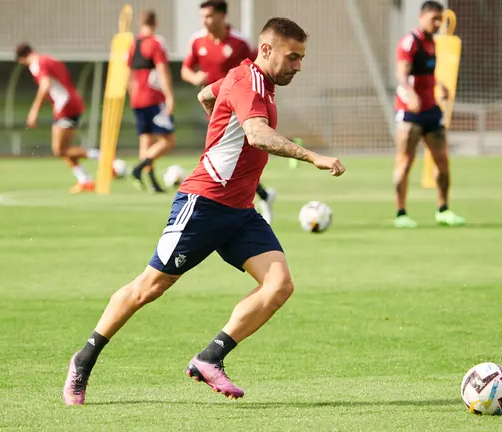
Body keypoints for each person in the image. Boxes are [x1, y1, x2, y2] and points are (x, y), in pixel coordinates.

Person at [63, 17, 346, 406]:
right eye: (292, 57)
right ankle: (83, 359)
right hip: (204, 204)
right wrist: (311, 155)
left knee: (279, 285)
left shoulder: (246, 78)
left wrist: (222, 125)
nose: (298, 66)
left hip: (240, 212)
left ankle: (211, 357)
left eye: (301, 58)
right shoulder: (249, 82)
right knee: (149, 287)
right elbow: (258, 134)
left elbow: (206, 96)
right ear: (266, 50)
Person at [181, 0, 277, 224]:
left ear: (222, 16)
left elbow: (258, 68)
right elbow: (186, 68)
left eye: (209, 16)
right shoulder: (197, 41)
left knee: (231, 158)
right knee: (227, 159)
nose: (205, 21)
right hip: (213, 107)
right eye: (202, 16)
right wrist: (194, 77)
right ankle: (262, 196)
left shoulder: (239, 42)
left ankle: (235, 205)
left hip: (240, 109)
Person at [393, 0, 465, 228]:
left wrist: (441, 85)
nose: (438, 24)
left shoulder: (432, 42)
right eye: (434, 19)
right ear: (422, 17)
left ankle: (443, 210)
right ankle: (401, 213)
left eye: (440, 20)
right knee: (405, 163)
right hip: (410, 113)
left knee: (442, 161)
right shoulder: (409, 42)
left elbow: (427, 73)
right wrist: (410, 94)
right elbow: (402, 75)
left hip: (431, 111)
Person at [16, 43, 99, 193]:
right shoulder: (49, 59)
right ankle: (85, 179)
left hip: (65, 105)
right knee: (65, 149)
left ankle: (105, 158)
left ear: (21, 59)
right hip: (70, 102)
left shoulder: (36, 64)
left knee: (59, 149)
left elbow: (45, 85)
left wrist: (34, 110)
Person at [127, 9, 176, 193]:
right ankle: (139, 168)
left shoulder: (133, 45)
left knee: (146, 141)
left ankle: (153, 183)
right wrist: (170, 97)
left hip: (137, 99)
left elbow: (128, 74)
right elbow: (162, 72)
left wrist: (132, 94)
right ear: (155, 23)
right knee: (168, 140)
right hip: (154, 98)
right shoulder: (156, 44)